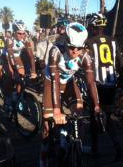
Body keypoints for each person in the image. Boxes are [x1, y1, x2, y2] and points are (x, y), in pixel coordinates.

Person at [40, 22, 100, 167]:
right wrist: (56, 110)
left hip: (68, 82)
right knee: (48, 123)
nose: (74, 51)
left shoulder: (85, 56)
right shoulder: (55, 51)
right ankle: (42, 155)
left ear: (83, 46)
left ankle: (77, 142)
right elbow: (54, 80)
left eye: (78, 48)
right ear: (66, 42)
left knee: (79, 111)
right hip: (51, 82)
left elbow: (91, 83)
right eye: (71, 46)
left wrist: (97, 106)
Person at [85, 13, 123, 161]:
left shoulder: (89, 42)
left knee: (93, 115)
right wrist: (120, 83)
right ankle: (117, 148)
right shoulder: (113, 41)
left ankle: (95, 150)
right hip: (111, 84)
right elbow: (121, 63)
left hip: (96, 84)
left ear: (93, 27)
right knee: (108, 116)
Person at [3, 20, 37, 111]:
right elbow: (10, 57)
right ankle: (8, 98)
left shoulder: (25, 40)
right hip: (7, 57)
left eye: (23, 33)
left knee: (22, 78)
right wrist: (14, 70)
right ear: (14, 32)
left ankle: (18, 96)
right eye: (19, 33)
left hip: (17, 57)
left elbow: (31, 57)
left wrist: (33, 71)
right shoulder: (9, 40)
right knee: (11, 75)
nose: (22, 36)